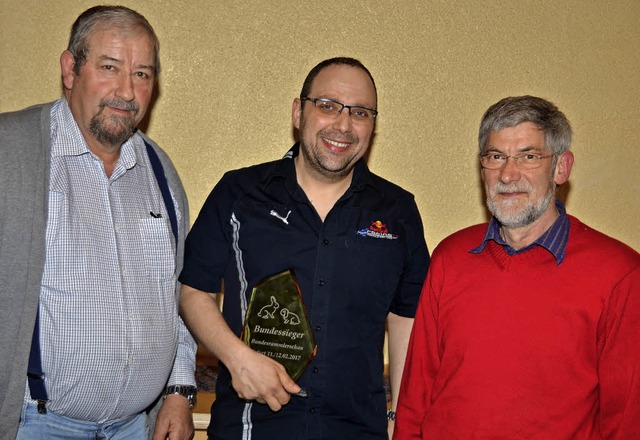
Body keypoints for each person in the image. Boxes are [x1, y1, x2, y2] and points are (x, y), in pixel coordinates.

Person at [178, 57, 430, 439]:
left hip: (357, 430)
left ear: (372, 126)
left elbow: (405, 319)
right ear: (299, 112)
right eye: (327, 106)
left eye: (359, 112)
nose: (343, 125)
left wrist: (400, 416)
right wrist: (236, 358)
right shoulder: (239, 193)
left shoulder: (398, 212)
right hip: (251, 428)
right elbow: (195, 289)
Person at [0, 6, 196, 440]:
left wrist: (179, 391)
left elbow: (178, 294)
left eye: (142, 74)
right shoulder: (10, 151)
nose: (127, 91)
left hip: (136, 428)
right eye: (110, 67)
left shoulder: (160, 170)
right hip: (33, 425)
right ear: (70, 69)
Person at [393, 95, 640, 439]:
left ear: (561, 167)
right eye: (496, 157)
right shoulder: (451, 257)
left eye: (529, 156)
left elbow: (626, 419)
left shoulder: (620, 274)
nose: (508, 174)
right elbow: (415, 398)